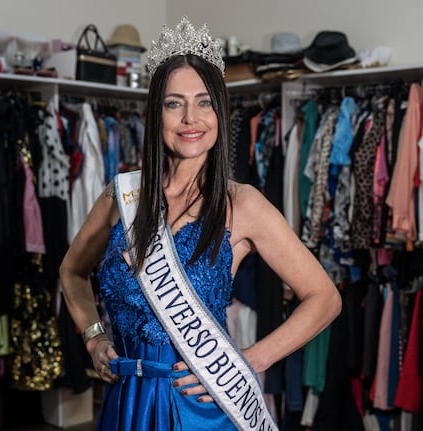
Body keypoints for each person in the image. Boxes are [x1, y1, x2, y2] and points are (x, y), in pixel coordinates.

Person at [60, 16, 341, 430]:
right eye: (175, 103)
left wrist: (250, 359)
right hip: (127, 403)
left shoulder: (242, 204)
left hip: (202, 406)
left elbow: (324, 297)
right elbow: (72, 271)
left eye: (205, 101)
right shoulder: (120, 196)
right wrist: (94, 336)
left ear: (220, 111)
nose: (191, 118)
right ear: (156, 113)